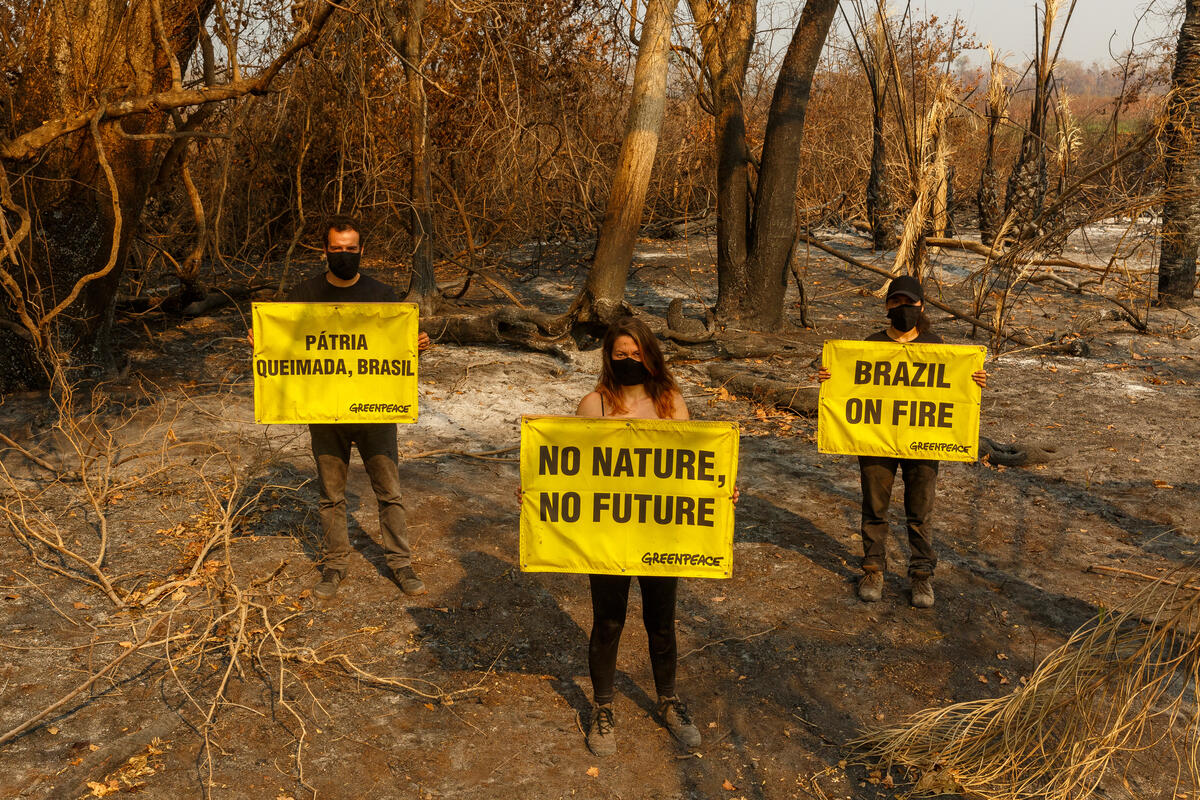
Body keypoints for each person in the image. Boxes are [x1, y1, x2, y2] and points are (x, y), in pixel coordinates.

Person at [263, 214, 431, 600]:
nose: (343, 255)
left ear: (361, 251)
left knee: (389, 491)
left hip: (375, 411)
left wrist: (417, 343)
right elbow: (284, 344)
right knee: (330, 495)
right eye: (336, 249)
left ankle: (401, 565)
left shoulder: (383, 296)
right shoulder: (303, 295)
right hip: (324, 413)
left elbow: (395, 352)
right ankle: (335, 567)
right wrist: (263, 338)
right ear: (325, 251)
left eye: (350, 249)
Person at [571, 317, 716, 757]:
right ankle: (603, 708)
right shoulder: (592, 406)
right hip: (608, 533)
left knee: (660, 622)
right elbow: (568, 471)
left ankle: (669, 701)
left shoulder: (671, 403)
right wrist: (536, 493)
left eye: (637, 353)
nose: (630, 361)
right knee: (609, 621)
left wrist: (719, 490)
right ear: (608, 358)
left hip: (659, 531)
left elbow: (693, 469)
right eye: (621, 355)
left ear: (651, 355)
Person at [818, 275, 986, 609]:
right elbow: (850, 382)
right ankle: (872, 569)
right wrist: (830, 377)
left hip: (923, 440)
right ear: (887, 306)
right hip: (875, 439)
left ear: (921, 306)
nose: (903, 308)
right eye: (896, 302)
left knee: (920, 510)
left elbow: (954, 387)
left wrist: (974, 379)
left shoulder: (935, 347)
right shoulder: (871, 344)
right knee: (875, 506)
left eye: (909, 303)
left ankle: (922, 576)